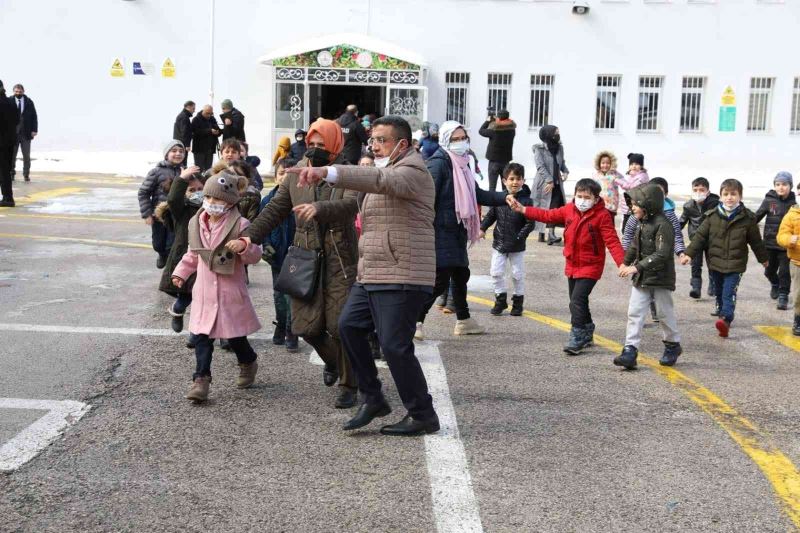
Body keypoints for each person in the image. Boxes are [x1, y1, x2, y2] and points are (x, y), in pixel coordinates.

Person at [289, 115, 441, 436]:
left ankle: (423, 414)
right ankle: (373, 398)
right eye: (372, 139)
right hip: (372, 268)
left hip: (402, 271)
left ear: (403, 143)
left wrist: (329, 172)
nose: (374, 145)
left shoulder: (413, 170)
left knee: (394, 345)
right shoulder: (385, 169)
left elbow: (380, 182)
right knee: (350, 327)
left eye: (381, 140)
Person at [229, 118, 361, 409]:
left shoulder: (349, 172)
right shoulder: (295, 174)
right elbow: (275, 209)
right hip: (305, 256)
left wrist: (320, 208)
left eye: (322, 145)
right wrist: (249, 238)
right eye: (312, 144)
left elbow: (352, 204)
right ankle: (335, 363)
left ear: (336, 146)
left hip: (341, 257)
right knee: (306, 327)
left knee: (341, 326)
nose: (315, 150)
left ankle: (350, 385)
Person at [172, 171, 263, 403]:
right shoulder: (197, 222)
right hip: (204, 291)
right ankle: (201, 379)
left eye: (218, 199)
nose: (212, 203)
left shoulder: (241, 224)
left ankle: (248, 362)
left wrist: (243, 245)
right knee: (202, 337)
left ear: (231, 201)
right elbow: (193, 253)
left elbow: (255, 255)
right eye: (209, 198)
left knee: (234, 336)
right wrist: (181, 273)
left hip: (229, 291)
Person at [415, 120, 511, 340]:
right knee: (440, 280)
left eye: (463, 138)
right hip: (441, 231)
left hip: (457, 230)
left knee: (460, 275)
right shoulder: (438, 164)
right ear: (446, 140)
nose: (461, 143)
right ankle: (414, 320)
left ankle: (464, 320)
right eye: (455, 139)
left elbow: (477, 194)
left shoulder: (463, 164)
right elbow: (426, 200)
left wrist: (504, 198)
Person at [510, 178, 624, 355]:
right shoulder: (569, 209)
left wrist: (622, 263)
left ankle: (577, 335)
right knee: (578, 300)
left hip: (591, 266)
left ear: (596, 198)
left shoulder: (603, 216)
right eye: (579, 196)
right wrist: (524, 209)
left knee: (576, 301)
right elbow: (548, 215)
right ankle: (587, 330)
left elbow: (612, 241)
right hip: (572, 263)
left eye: (587, 197)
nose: (582, 200)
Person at [680, 179, 769, 338]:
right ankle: (722, 313)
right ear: (720, 197)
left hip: (736, 264)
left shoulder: (747, 218)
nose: (729, 197)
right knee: (719, 292)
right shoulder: (712, 216)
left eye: (733, 194)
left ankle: (726, 319)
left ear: (740, 196)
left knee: (729, 292)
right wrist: (688, 254)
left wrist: (764, 258)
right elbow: (700, 236)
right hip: (715, 263)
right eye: (726, 194)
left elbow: (756, 241)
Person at [615, 183, 682, 369]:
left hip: (660, 279)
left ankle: (672, 345)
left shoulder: (664, 225)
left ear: (648, 204)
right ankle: (630, 350)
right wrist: (625, 262)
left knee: (664, 313)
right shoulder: (641, 223)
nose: (632, 207)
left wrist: (636, 268)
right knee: (634, 312)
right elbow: (635, 246)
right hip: (642, 279)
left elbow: (661, 254)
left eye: (636, 203)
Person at [621, 177, 687, 323]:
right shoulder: (636, 215)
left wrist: (681, 252)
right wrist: (624, 260)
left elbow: (676, 236)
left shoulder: (667, 217)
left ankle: (671, 342)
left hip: (660, 271)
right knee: (637, 306)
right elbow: (630, 238)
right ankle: (631, 344)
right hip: (642, 269)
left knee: (663, 307)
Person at [480, 163, 535, 316]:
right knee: (496, 272)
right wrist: (482, 228)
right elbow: (491, 216)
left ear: (523, 181)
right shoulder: (500, 199)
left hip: (517, 245)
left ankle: (518, 302)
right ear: (504, 181)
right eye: (511, 179)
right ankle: (500, 299)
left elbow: (530, 223)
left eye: (518, 179)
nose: (514, 182)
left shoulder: (527, 201)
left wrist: (520, 237)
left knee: (517, 274)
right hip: (499, 243)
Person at [155, 163, 203, 334]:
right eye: (191, 190)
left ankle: (198, 335)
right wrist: (182, 179)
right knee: (187, 294)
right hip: (185, 256)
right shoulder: (182, 209)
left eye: (200, 188)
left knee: (204, 297)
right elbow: (174, 198)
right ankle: (178, 310)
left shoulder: (210, 208)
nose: (197, 192)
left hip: (205, 258)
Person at [260, 158, 299, 353]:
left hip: (297, 256)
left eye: (290, 174)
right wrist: (266, 245)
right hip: (276, 255)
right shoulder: (267, 200)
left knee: (293, 294)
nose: (285, 177)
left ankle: (292, 330)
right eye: (282, 173)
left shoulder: (301, 199)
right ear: (275, 176)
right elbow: (262, 225)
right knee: (278, 295)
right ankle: (281, 324)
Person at [139, 140, 186, 269]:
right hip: (159, 215)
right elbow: (143, 192)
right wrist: (147, 214)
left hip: (177, 216)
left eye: (181, 151)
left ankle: (172, 270)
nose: (178, 154)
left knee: (172, 245)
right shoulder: (156, 172)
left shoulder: (185, 172)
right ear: (166, 154)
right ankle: (162, 254)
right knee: (158, 244)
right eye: (174, 151)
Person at [755, 171, 795, 310]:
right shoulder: (769, 200)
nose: (781, 187)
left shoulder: (794, 203)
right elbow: (757, 216)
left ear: (790, 186)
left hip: (786, 244)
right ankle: (775, 283)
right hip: (770, 243)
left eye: (784, 184)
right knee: (769, 270)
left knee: (785, 272)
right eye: (778, 184)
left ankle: (783, 296)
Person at [679, 177, 720, 299]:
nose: (698, 192)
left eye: (701, 190)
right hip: (695, 240)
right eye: (695, 189)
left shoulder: (716, 204)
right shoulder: (688, 206)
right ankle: (696, 288)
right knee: (695, 265)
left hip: (712, 240)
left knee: (712, 263)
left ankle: (713, 284)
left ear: (708, 191)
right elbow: (681, 222)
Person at [531, 124, 569, 245]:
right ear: (548, 134)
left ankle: (551, 234)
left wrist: (566, 171)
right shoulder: (539, 149)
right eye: (555, 133)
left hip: (557, 184)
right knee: (543, 208)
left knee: (554, 209)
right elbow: (540, 166)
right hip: (544, 184)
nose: (557, 135)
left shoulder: (559, 148)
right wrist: (549, 180)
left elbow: (561, 162)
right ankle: (542, 234)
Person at [776, 185, 800, 336]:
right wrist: (789, 240)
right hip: (797, 263)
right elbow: (781, 236)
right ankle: (798, 319)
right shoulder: (791, 215)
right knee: (799, 295)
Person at [479, 110, 516, 192]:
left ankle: (492, 204)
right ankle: (505, 203)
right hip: (506, 162)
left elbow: (481, 131)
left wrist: (488, 121)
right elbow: (503, 125)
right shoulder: (512, 130)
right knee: (506, 186)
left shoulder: (494, 131)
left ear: (498, 118)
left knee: (492, 187)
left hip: (493, 162)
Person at [615, 153, 649, 231]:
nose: (634, 166)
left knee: (629, 230)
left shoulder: (642, 176)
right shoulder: (632, 176)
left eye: (637, 164)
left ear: (641, 166)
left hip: (635, 207)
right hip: (629, 207)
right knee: (626, 229)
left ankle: (629, 242)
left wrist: (617, 180)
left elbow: (631, 188)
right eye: (632, 164)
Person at [10, 84, 37, 182]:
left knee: (26, 156)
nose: (18, 93)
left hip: (26, 133)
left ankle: (26, 175)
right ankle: (11, 174)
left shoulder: (29, 102)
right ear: (13, 91)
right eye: (16, 92)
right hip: (13, 134)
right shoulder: (9, 101)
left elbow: (34, 116)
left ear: (23, 91)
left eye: (20, 92)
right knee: (12, 155)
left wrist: (34, 130)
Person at [0, 80, 18, 207]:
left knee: (3, 171)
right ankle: (7, 197)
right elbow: (17, 120)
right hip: (10, 142)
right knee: (5, 170)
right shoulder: (11, 102)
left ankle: (8, 198)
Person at [592, 150, 622, 221]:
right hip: (598, 205)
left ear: (612, 164)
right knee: (599, 223)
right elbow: (591, 188)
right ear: (599, 164)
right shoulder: (595, 176)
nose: (605, 165)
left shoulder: (615, 174)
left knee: (610, 224)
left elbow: (625, 183)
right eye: (603, 163)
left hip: (611, 206)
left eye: (608, 163)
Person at [190, 105, 221, 173]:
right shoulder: (196, 119)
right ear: (203, 111)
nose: (209, 115)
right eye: (207, 113)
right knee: (199, 170)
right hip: (199, 150)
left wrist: (217, 132)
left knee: (208, 170)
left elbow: (217, 129)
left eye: (211, 113)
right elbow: (195, 132)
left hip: (210, 149)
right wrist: (209, 131)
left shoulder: (212, 119)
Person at [173, 101, 195, 168]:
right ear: (188, 107)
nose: (194, 111)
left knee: (180, 161)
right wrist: (187, 145)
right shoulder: (184, 117)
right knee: (182, 162)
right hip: (182, 144)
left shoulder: (183, 116)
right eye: (193, 108)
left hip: (180, 143)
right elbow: (184, 132)